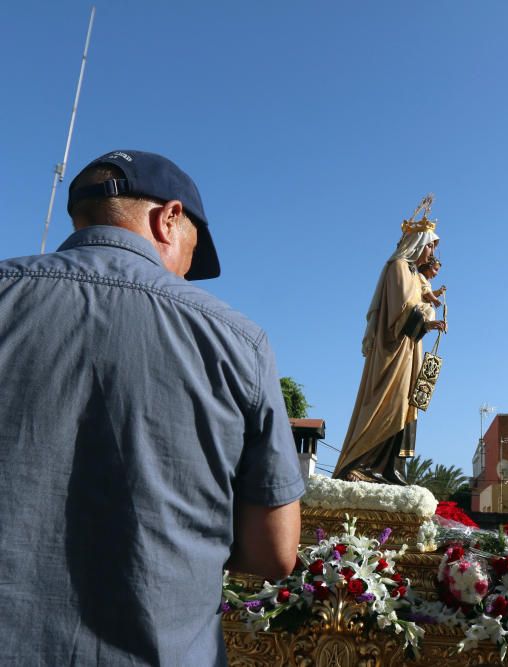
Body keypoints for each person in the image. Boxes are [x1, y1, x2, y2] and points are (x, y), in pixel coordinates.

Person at [0, 150, 305, 665]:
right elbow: (275, 552)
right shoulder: (237, 341)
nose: (185, 276)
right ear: (169, 219)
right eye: (190, 256)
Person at [333, 201, 448, 484]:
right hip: (393, 350)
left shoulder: (414, 274)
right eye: (431, 246)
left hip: (409, 349)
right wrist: (427, 319)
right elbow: (400, 311)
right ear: (418, 243)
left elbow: (416, 304)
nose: (433, 252)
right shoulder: (397, 267)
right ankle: (360, 464)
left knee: (405, 405)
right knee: (387, 405)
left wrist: (428, 315)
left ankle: (387, 468)